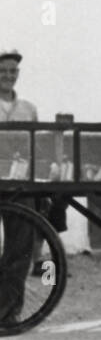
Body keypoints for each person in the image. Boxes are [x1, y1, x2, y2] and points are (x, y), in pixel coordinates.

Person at [0, 49, 42, 324]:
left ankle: (9, 313)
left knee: (20, 249)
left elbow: (36, 145)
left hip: (19, 183)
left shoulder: (28, 108)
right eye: (3, 71)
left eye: (13, 71)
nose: (8, 76)